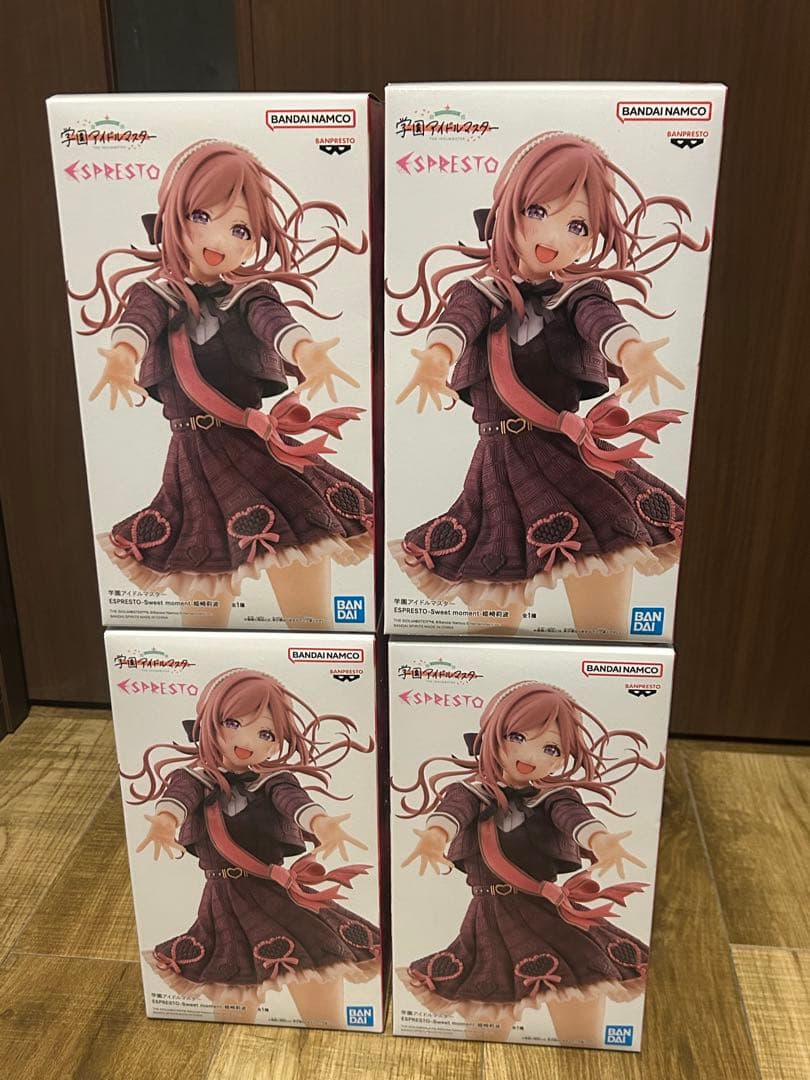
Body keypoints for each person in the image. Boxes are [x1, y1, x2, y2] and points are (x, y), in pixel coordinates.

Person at [389, 131, 709, 635]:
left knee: (605, 595)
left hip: (569, 452)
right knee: (493, 601)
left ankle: (603, 666)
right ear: (507, 209)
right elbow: (457, 322)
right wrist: (436, 358)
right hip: (499, 462)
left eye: (577, 225)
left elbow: (601, 321)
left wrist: (632, 351)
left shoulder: (580, 293)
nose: (554, 235)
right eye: (537, 211)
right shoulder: (478, 292)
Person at [71, 139, 372, 629]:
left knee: (304, 550)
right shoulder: (154, 294)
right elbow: (137, 324)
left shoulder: (251, 293)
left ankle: (319, 653)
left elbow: (274, 321)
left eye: (240, 229)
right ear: (172, 218)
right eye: (200, 216)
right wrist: (122, 357)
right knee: (202, 586)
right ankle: (209, 659)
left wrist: (305, 350)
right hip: (193, 457)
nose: (220, 239)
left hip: (256, 445)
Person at [394, 680, 663, 1044]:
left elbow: (574, 817)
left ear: (562, 757)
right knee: (487, 1005)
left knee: (581, 991)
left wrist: (600, 839)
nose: (531, 755)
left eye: (550, 748)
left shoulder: (554, 797)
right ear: (492, 734)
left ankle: (585, 1056)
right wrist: (435, 835)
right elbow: (453, 812)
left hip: (548, 909)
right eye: (517, 737)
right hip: (489, 916)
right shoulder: (469, 793)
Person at [124, 667, 380, 1027]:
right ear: (208, 723)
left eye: (265, 733)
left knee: (319, 966)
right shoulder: (193, 779)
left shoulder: (274, 780)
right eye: (232, 723)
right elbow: (178, 798)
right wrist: (165, 821)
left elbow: (295, 801)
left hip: (276, 892)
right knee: (231, 985)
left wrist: (320, 822)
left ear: (276, 743)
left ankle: (331, 1036)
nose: (248, 740)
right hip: (223, 902)